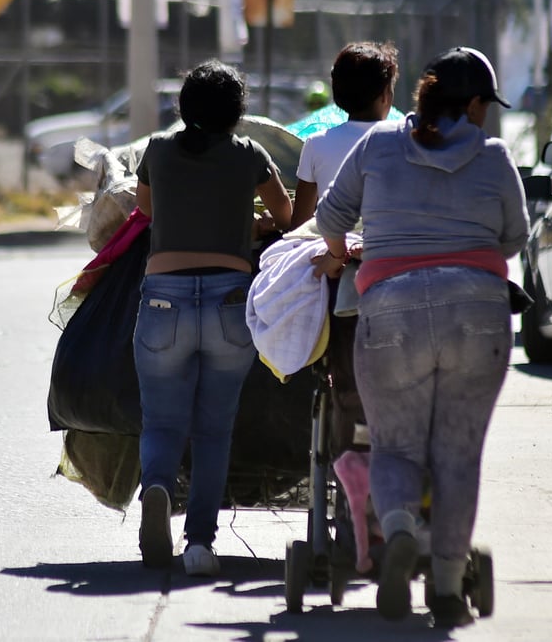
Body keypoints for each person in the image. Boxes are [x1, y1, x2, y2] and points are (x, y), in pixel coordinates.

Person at [312, 47, 529, 628]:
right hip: (477, 313)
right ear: (476, 104)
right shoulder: (495, 155)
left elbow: (330, 221)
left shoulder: (378, 146)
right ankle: (449, 588)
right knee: (458, 455)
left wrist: (351, 255)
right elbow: (515, 238)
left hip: (390, 309)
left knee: (394, 446)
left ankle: (401, 527)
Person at [133, 60, 293, 576]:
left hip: (163, 301)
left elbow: (149, 212)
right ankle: (199, 543)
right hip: (229, 302)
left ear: (183, 106)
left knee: (161, 419)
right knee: (212, 430)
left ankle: (156, 487)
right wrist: (249, 222)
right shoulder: (250, 154)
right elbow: (287, 219)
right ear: (237, 111)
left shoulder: (156, 152)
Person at [291, 41, 399, 228]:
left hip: (332, 251)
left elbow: (300, 225)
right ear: (384, 95)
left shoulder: (317, 144)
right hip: (387, 250)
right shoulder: (402, 140)